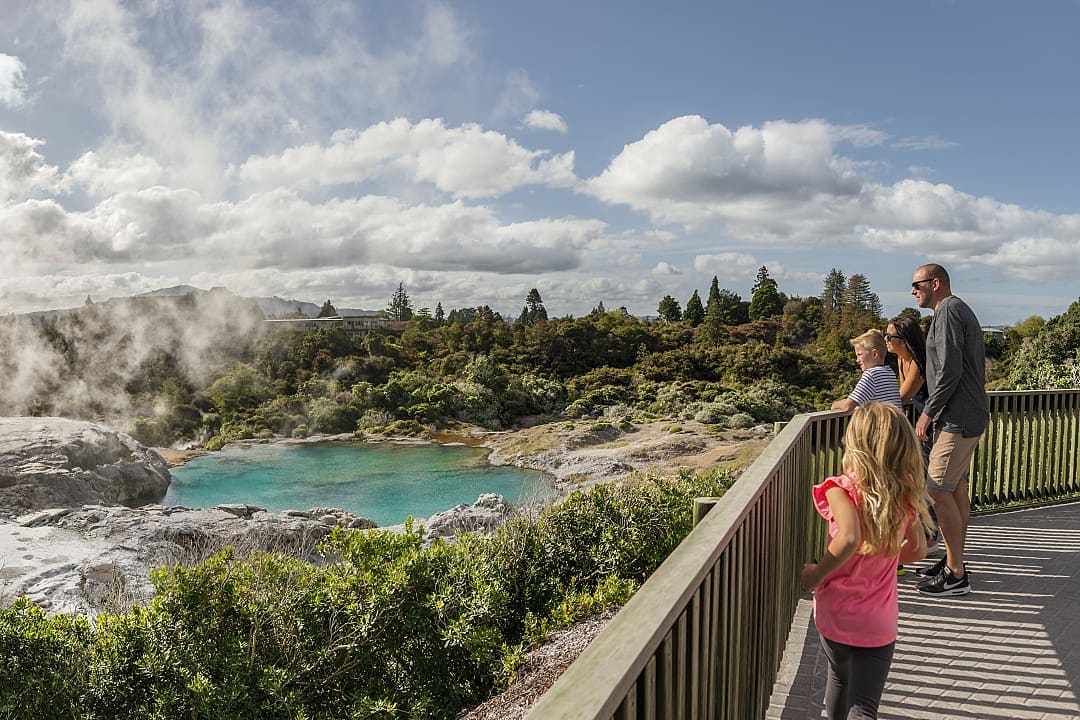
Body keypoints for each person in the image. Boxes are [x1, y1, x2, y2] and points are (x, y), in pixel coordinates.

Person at [802, 402, 931, 720]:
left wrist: (815, 574)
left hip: (836, 612)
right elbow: (917, 550)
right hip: (878, 621)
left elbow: (848, 538)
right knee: (864, 706)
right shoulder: (903, 494)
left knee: (838, 679)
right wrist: (886, 555)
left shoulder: (841, 490)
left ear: (856, 444)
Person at [910, 263, 989, 597]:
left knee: (938, 490)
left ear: (935, 283)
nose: (912, 290)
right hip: (966, 414)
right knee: (954, 489)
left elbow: (949, 371)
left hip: (957, 418)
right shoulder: (955, 311)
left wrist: (928, 413)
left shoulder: (949, 312)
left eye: (916, 284)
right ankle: (954, 561)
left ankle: (956, 574)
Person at [831, 329, 902, 412]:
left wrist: (834, 405)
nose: (857, 360)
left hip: (881, 424)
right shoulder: (889, 372)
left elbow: (848, 405)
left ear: (874, 354)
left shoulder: (871, 375)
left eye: (859, 355)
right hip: (896, 423)